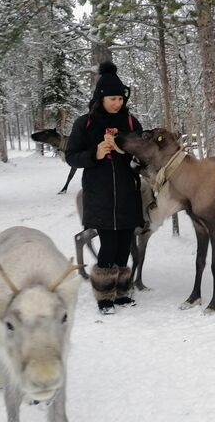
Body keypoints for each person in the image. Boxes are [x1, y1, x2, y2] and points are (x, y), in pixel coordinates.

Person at [65, 61, 143, 315]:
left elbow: (144, 155)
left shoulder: (130, 123)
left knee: (124, 245)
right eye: (112, 98)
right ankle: (104, 294)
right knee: (108, 245)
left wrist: (127, 152)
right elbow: (72, 156)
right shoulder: (85, 124)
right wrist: (95, 153)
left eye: (120, 98)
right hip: (100, 194)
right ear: (100, 98)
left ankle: (121, 292)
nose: (116, 103)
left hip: (127, 192)